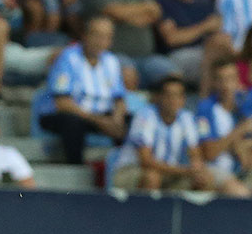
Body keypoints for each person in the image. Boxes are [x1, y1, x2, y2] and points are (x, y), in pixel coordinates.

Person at [37, 16, 129, 163]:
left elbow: (119, 99)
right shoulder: (68, 58)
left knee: (132, 121)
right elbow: (62, 103)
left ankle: (122, 167)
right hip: (66, 114)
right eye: (97, 35)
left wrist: (116, 120)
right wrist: (100, 121)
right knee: (73, 123)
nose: (101, 41)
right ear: (85, 35)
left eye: (106, 36)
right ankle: (75, 169)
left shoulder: (112, 61)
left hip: (100, 116)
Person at [107, 75, 211, 192]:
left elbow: (194, 153)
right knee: (152, 177)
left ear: (183, 100)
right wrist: (184, 171)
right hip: (130, 170)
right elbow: (145, 161)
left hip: (170, 171)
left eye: (177, 95)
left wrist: (196, 169)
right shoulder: (144, 116)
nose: (173, 100)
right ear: (158, 97)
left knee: (204, 179)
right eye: (168, 95)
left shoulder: (187, 118)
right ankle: (144, 211)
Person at [195, 58, 252, 195]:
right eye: (221, 79)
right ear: (214, 82)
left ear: (238, 79)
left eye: (231, 78)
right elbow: (209, 153)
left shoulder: (244, 105)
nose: (227, 85)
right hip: (215, 170)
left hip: (242, 170)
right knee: (238, 192)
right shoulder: (205, 110)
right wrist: (239, 131)